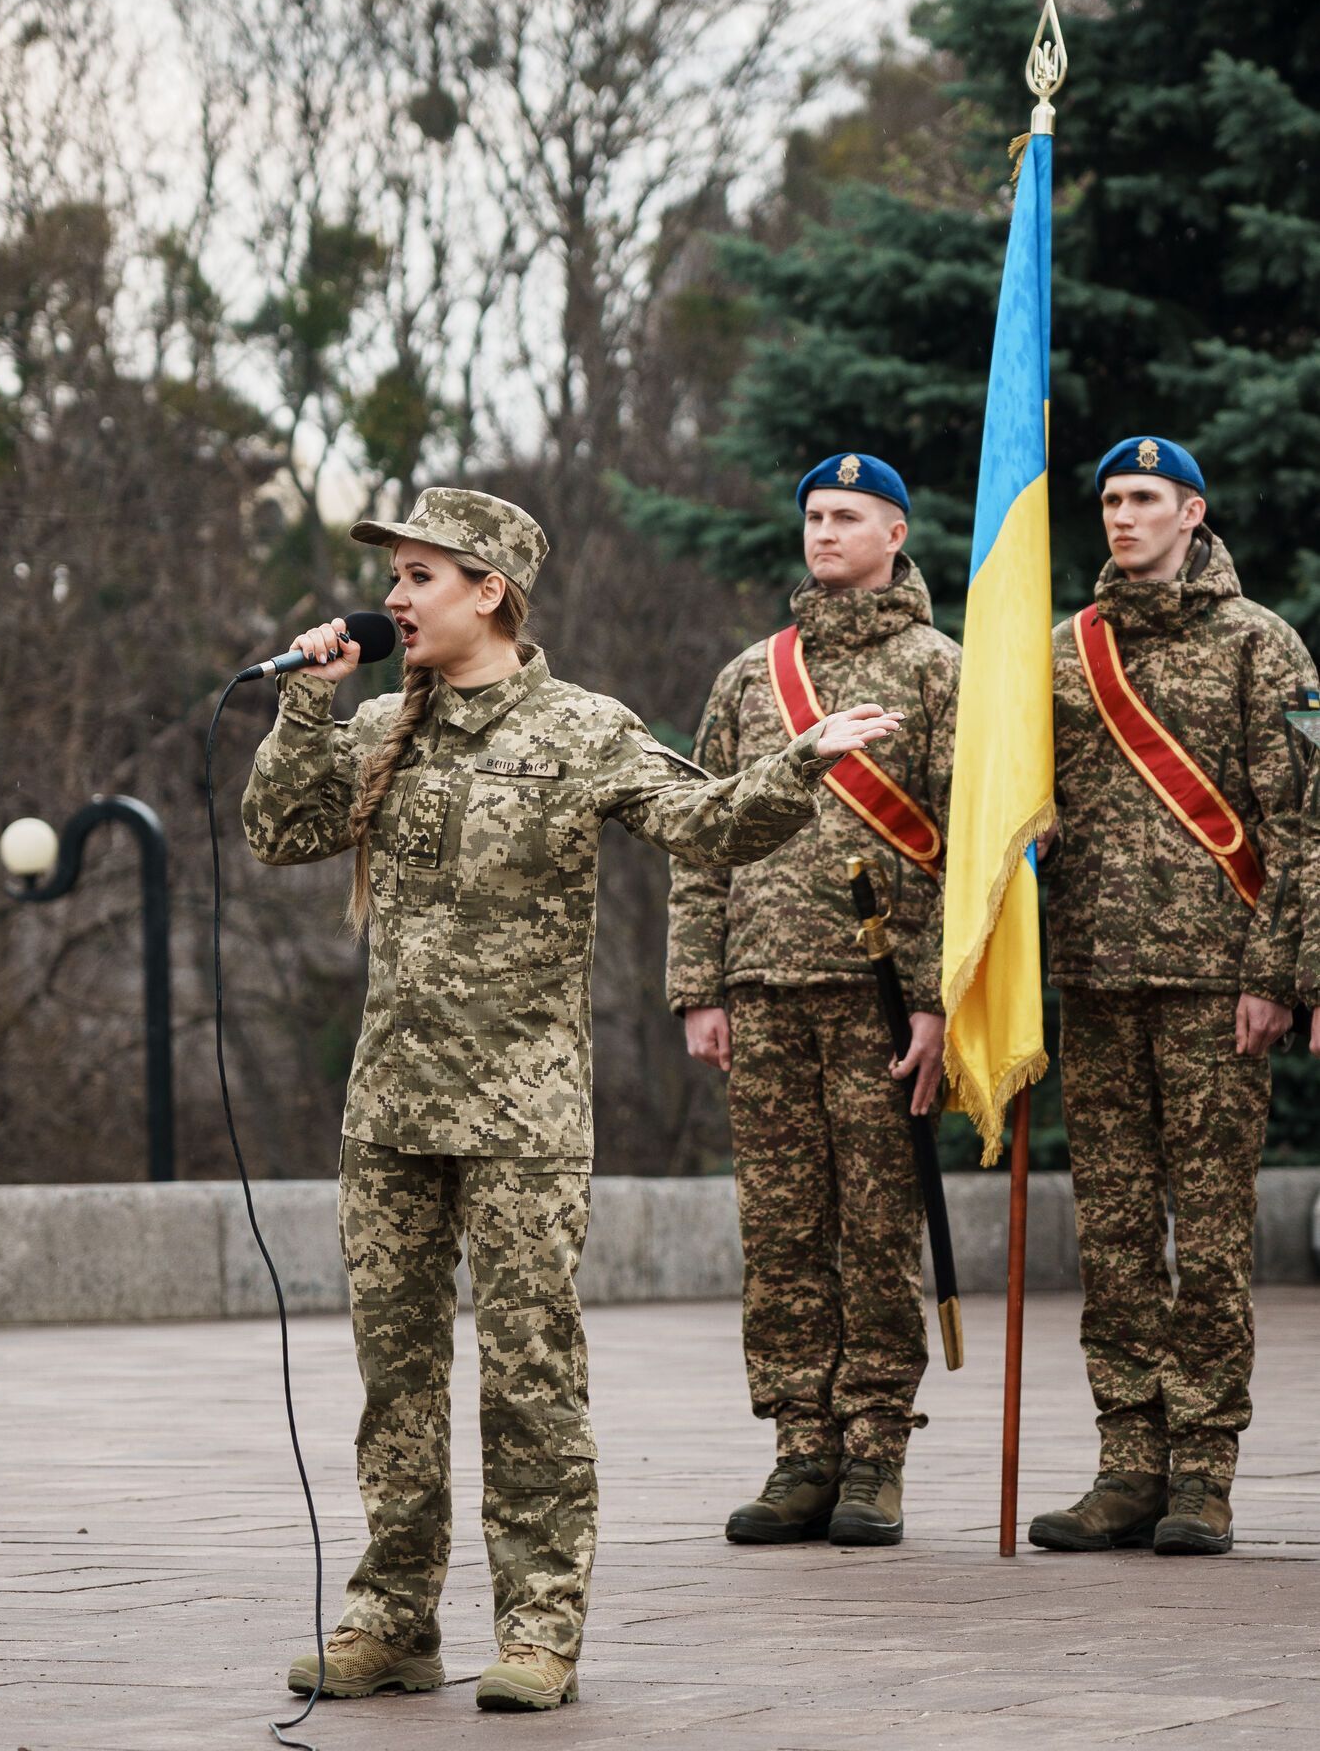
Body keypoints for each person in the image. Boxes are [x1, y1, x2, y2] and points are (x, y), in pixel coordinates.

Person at [241, 486, 901, 1712]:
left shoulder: (585, 725)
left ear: (488, 589)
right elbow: (278, 831)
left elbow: (708, 824)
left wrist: (800, 760)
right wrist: (303, 697)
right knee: (395, 1373)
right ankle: (392, 1618)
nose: (392, 599)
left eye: (419, 576)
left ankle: (540, 1625)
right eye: (392, 577)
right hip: (390, 1102)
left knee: (529, 1370)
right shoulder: (388, 720)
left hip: (521, 1109)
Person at [1029, 438, 1316, 1558]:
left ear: (1191, 511)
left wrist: (1278, 974)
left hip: (1214, 984)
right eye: (1108, 498)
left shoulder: (1261, 644)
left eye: (1144, 497)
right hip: (1095, 979)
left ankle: (1201, 1469)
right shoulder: (1063, 650)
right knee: (1108, 1235)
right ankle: (1126, 1462)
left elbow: (1299, 820)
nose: (1122, 515)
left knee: (1206, 1234)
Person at [666, 452, 960, 1548]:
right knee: (782, 1229)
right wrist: (701, 983)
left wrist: (936, 1001)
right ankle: (800, 1444)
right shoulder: (753, 675)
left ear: (894, 531)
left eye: (847, 516)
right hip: (766, 985)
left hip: (881, 996)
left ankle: (875, 1448)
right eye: (813, 515)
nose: (823, 532)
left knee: (877, 1225)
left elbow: (969, 851)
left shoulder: (939, 670)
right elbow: (702, 834)